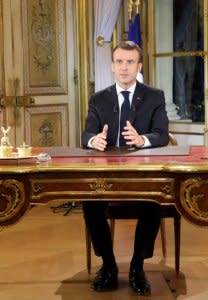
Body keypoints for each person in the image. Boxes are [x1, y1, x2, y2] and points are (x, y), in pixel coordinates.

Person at [81, 40, 169, 295]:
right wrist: (93, 140)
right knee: (89, 201)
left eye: (130, 62)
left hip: (141, 172)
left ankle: (137, 267)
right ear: (112, 66)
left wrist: (143, 140)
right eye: (119, 62)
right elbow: (85, 133)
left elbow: (162, 135)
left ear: (138, 66)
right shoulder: (99, 99)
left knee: (153, 201)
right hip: (107, 174)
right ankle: (108, 265)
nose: (124, 67)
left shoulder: (154, 96)